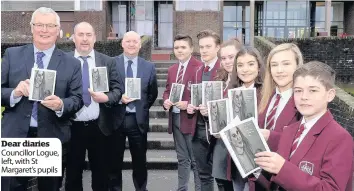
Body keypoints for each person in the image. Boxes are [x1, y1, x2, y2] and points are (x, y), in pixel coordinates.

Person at [1, 7, 83, 191]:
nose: (44, 30)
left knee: (49, 188)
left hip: (52, 137)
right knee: (11, 187)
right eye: (39, 25)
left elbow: (78, 99)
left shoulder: (72, 63)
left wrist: (61, 104)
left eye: (50, 25)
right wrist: (15, 92)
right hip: (16, 138)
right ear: (31, 28)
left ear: (58, 31)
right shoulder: (12, 55)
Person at [254, 61, 353, 191]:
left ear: (330, 95)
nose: (304, 97)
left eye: (313, 90)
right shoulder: (289, 130)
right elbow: (276, 183)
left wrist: (282, 168)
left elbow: (331, 188)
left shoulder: (340, 138)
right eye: (298, 91)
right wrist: (254, 168)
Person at [64, 22, 122, 191]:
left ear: (95, 38)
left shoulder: (107, 61)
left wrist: (106, 97)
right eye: (80, 35)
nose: (84, 39)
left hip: (100, 126)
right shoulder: (64, 61)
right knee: (73, 174)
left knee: (102, 174)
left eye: (88, 35)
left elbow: (118, 90)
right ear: (73, 38)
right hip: (72, 126)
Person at [110, 31, 158, 191]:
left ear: (140, 44)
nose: (131, 44)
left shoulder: (149, 67)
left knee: (139, 162)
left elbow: (152, 94)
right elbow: (106, 91)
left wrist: (141, 108)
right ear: (122, 43)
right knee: (114, 161)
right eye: (128, 41)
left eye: (135, 41)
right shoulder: (111, 63)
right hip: (116, 118)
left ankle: (141, 188)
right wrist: (118, 99)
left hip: (138, 121)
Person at [162, 34, 202, 191]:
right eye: (176, 47)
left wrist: (190, 103)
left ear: (191, 49)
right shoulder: (172, 69)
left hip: (192, 120)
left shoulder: (199, 67)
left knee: (196, 160)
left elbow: (201, 94)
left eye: (183, 47)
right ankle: (182, 189)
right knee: (182, 158)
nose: (179, 50)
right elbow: (167, 91)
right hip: (176, 117)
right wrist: (166, 101)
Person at [187, 29, 221, 191]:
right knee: (203, 176)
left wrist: (213, 110)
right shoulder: (198, 71)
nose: (204, 50)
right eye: (201, 47)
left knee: (222, 178)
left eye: (208, 46)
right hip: (198, 129)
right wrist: (190, 105)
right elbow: (193, 97)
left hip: (218, 133)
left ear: (217, 48)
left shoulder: (225, 70)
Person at [227, 46, 266, 190]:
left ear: (258, 67)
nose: (245, 69)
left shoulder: (267, 94)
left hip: (260, 163)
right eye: (240, 65)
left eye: (250, 64)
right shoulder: (231, 93)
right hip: (237, 160)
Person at [209, 38, 243, 191]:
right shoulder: (220, 78)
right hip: (220, 143)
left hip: (237, 144)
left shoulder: (245, 82)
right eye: (223, 58)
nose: (227, 61)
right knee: (221, 182)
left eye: (231, 57)